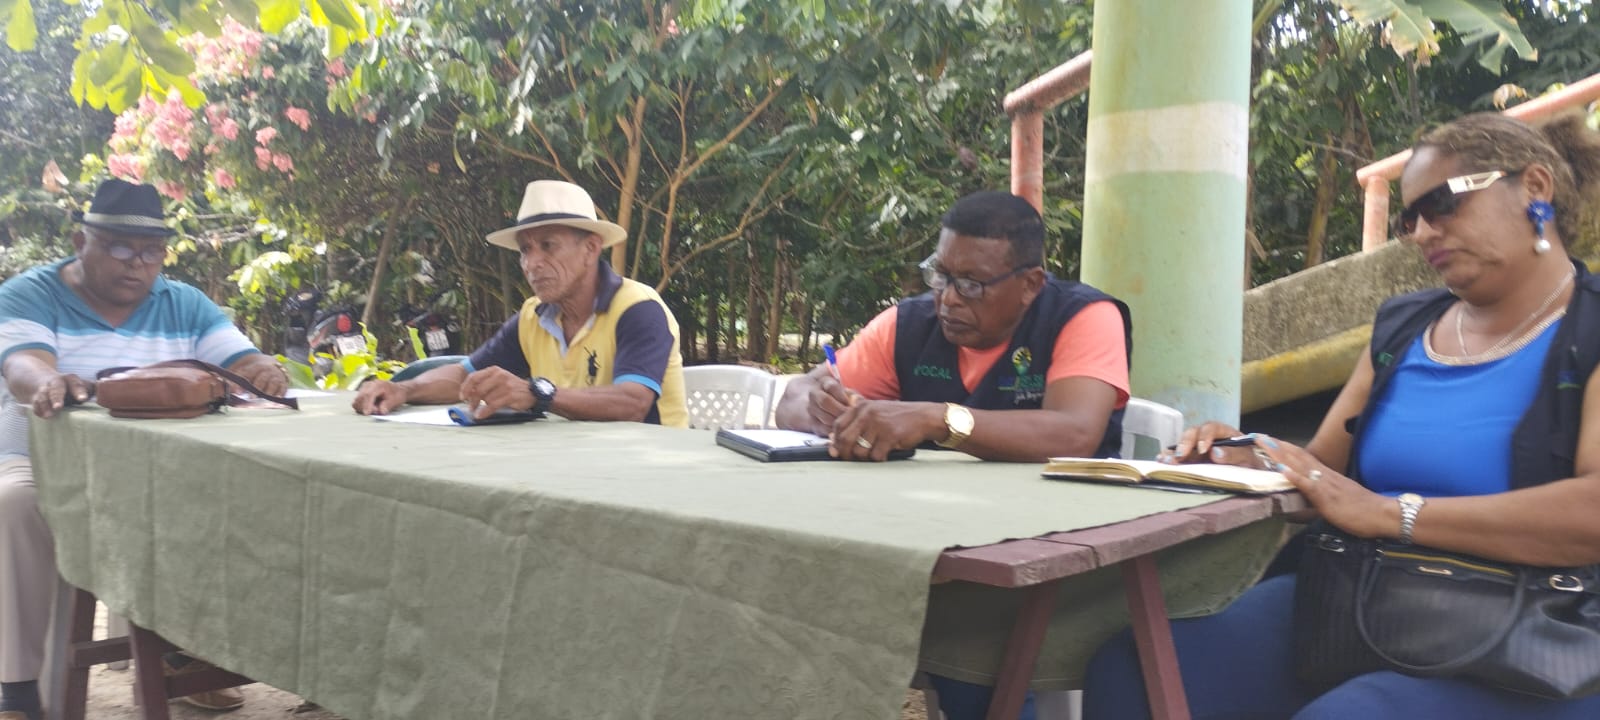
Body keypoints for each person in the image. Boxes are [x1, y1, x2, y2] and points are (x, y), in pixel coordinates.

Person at [1083, 111, 1600, 719]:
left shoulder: (1587, 329)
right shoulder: (1403, 326)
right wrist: (1247, 455)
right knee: (1137, 667)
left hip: (1534, 628)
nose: (1421, 233)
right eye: (1408, 218)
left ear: (1535, 187)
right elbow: (1323, 472)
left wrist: (1390, 514)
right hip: (1359, 594)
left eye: (1441, 204)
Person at [775, 190, 1132, 716]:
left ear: (1031, 284)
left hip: (1060, 558)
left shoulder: (1083, 316)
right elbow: (792, 401)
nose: (948, 299)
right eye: (940, 275)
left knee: (977, 655)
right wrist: (820, 406)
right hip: (936, 549)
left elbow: (1074, 432)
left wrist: (940, 419)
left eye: (972, 284)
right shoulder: (907, 325)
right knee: (800, 606)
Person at [0, 179, 289, 719]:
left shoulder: (184, 302)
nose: (137, 264)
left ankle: (180, 656)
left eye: (152, 252)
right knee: (15, 503)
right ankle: (18, 689)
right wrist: (46, 380)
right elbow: (22, 364)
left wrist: (262, 371)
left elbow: (242, 360)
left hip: (160, 465)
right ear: (80, 241)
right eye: (119, 248)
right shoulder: (31, 292)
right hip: (45, 457)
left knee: (239, 490)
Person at [353, 180, 688, 427]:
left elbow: (632, 403)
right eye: (525, 250)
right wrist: (402, 389)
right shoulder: (532, 317)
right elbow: (464, 376)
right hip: (578, 468)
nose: (531, 263)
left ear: (590, 249)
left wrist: (538, 394)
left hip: (652, 477)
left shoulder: (637, 308)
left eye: (548, 245)